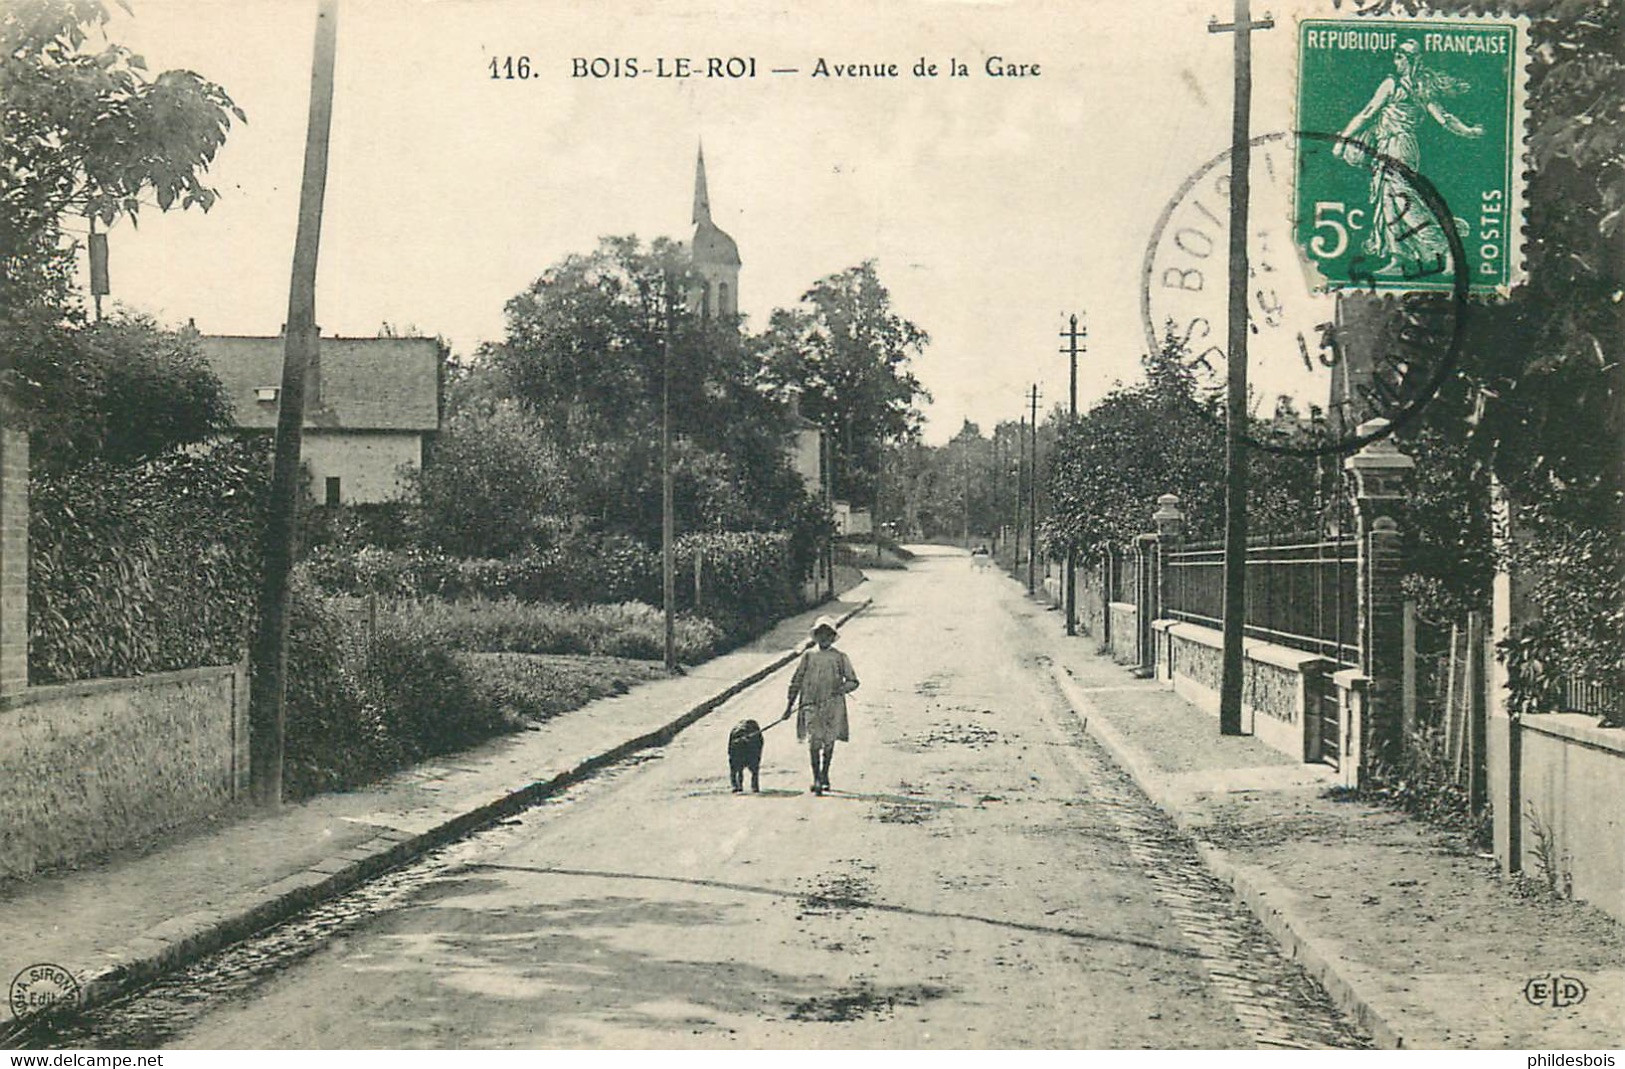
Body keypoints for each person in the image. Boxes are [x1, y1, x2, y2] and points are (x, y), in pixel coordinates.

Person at [1335, 38, 1483, 276]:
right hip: (1390, 146)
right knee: (1388, 202)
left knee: (1406, 202)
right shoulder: (1419, 88)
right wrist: (1467, 130)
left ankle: (1447, 248)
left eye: (1401, 56)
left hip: (1399, 146)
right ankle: (1399, 258)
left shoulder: (1393, 85)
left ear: (1411, 60)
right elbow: (1444, 118)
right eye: (1396, 56)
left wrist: (1343, 138)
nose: (1397, 60)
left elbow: (1367, 113)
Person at [782, 615, 860, 795]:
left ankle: (825, 774)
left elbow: (853, 681)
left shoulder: (840, 657)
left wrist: (841, 689)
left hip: (832, 706)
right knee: (813, 742)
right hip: (810, 704)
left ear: (833, 637)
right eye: (820, 634)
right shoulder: (808, 656)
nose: (824, 638)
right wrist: (788, 707)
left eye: (828, 635)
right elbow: (796, 681)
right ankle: (816, 777)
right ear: (815, 637)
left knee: (829, 741)